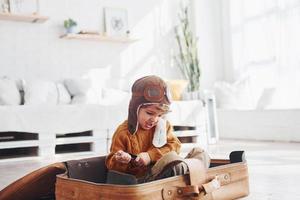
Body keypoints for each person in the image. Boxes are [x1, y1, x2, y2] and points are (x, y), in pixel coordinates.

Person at [105, 75, 183, 184]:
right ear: (135, 109)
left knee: (199, 153)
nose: (155, 119)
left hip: (163, 176)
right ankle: (184, 172)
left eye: (160, 115)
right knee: (172, 159)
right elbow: (111, 164)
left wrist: (150, 156)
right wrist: (122, 160)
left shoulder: (163, 126)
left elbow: (176, 146)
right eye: (149, 113)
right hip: (143, 181)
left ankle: (189, 173)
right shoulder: (123, 133)